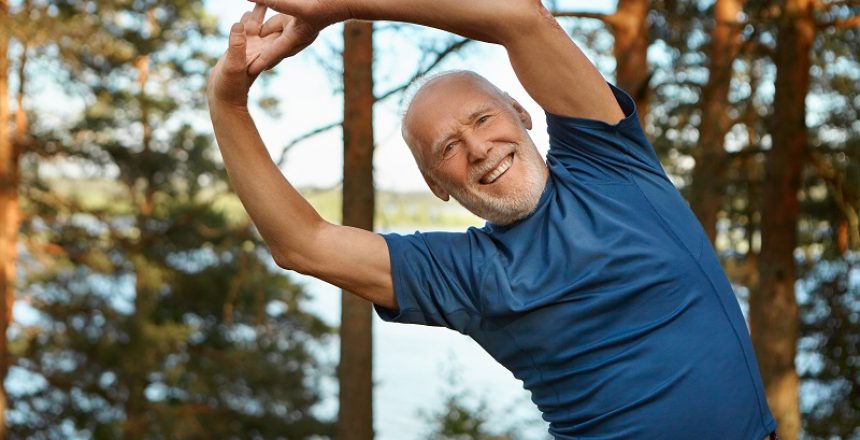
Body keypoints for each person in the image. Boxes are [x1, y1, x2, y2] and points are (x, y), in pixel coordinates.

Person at [207, 1, 779, 438]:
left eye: (483, 119)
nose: (478, 148)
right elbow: (302, 243)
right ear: (437, 186)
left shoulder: (610, 163)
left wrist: (338, 7)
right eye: (447, 148)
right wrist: (227, 101)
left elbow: (516, 15)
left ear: (524, 114)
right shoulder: (465, 275)